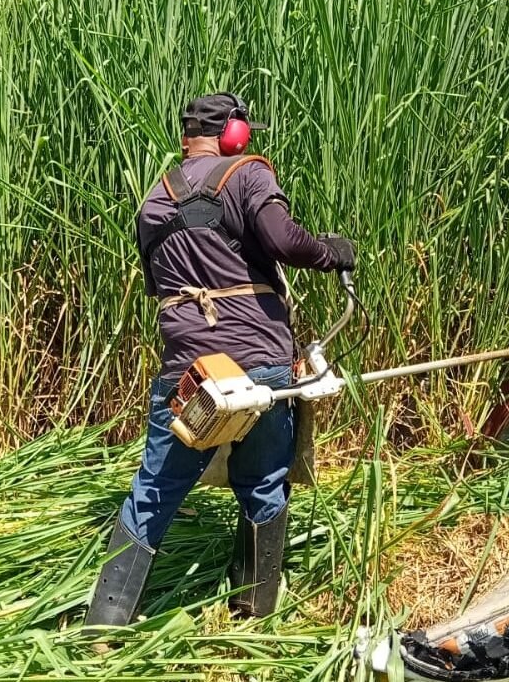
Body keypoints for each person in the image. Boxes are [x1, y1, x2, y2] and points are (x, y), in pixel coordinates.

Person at [83, 92, 355, 629]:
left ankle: (105, 623)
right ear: (234, 132)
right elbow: (285, 240)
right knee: (264, 480)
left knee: (155, 489)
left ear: (186, 138)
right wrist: (332, 252)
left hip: (189, 372)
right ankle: (255, 610)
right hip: (259, 362)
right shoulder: (247, 175)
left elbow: (160, 285)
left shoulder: (153, 203)